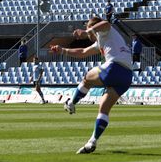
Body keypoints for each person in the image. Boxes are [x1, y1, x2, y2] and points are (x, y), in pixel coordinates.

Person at [50, 16, 132, 154]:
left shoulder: (104, 31)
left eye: (90, 27)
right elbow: (82, 52)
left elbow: (106, 23)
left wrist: (86, 31)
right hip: (126, 77)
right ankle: (92, 141)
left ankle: (71, 102)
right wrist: (62, 50)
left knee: (87, 78)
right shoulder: (102, 39)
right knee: (103, 109)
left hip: (114, 67)